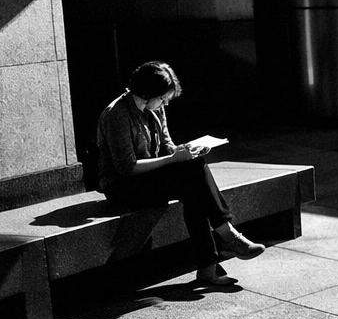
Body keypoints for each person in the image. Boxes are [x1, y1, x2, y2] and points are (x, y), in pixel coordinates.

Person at [95, 61, 264, 287]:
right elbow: (127, 168)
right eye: (163, 99)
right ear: (147, 93)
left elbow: (166, 146)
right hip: (123, 186)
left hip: (149, 178)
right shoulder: (117, 114)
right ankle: (223, 242)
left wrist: (186, 151)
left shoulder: (154, 107)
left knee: (195, 174)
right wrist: (172, 159)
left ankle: (211, 261)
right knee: (193, 181)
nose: (165, 104)